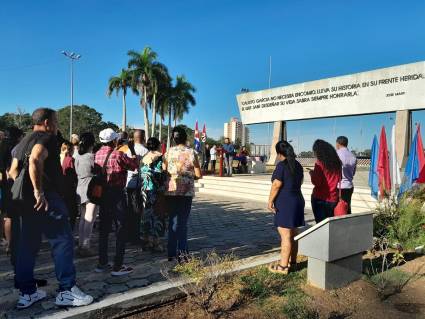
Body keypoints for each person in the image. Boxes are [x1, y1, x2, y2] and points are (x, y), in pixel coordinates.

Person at [9, 108, 93, 309]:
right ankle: (67, 291)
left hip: (25, 201)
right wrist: (39, 191)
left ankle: (27, 293)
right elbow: (36, 159)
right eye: (55, 121)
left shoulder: (21, 142)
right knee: (62, 241)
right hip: (47, 199)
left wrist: (29, 191)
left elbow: (12, 171)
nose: (57, 125)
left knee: (27, 246)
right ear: (47, 122)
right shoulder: (47, 138)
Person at [94, 128, 139, 276]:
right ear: (114, 140)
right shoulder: (118, 154)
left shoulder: (97, 154)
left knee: (104, 229)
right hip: (117, 194)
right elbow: (135, 165)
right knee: (120, 228)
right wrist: (132, 149)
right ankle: (118, 265)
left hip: (102, 195)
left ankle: (102, 262)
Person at [163, 127, 202, 262]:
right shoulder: (192, 152)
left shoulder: (168, 152)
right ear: (186, 138)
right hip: (186, 192)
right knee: (182, 222)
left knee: (173, 221)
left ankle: (171, 253)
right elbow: (198, 174)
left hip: (171, 190)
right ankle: (183, 253)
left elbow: (164, 169)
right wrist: (188, 175)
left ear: (174, 138)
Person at [268, 141, 305, 274]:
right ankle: (293, 262)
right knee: (294, 234)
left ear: (279, 154)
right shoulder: (298, 165)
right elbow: (300, 182)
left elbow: (276, 185)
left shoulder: (281, 166)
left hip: (286, 203)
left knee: (285, 236)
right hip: (298, 200)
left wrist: (270, 201)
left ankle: (283, 266)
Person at [140, 137, 166, 252]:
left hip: (144, 190)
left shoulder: (143, 158)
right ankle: (157, 243)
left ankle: (146, 241)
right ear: (158, 145)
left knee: (146, 215)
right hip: (157, 191)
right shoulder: (160, 157)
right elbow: (163, 173)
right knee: (158, 216)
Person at [74, 132, 97, 257]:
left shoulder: (77, 156)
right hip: (90, 187)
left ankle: (81, 244)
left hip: (80, 186)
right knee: (90, 218)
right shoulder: (90, 157)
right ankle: (85, 245)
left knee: (83, 218)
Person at [309, 139, 342, 223]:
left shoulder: (319, 163)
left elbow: (317, 182)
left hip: (320, 198)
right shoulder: (337, 162)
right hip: (334, 197)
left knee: (320, 225)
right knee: (330, 224)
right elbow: (340, 178)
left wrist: (312, 174)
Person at [125, 129, 148, 244]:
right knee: (137, 211)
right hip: (139, 184)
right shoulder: (145, 150)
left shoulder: (127, 150)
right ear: (143, 137)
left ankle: (128, 235)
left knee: (129, 210)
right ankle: (135, 235)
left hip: (128, 183)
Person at [336, 136, 357, 214]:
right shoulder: (353, 156)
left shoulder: (336, 154)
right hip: (349, 186)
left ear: (338, 144)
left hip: (339, 187)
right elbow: (353, 173)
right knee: (347, 208)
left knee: (338, 209)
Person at [61, 142, 79, 230]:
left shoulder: (63, 159)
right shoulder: (71, 159)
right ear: (70, 150)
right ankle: (70, 229)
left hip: (63, 186)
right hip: (70, 187)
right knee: (73, 211)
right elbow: (74, 174)